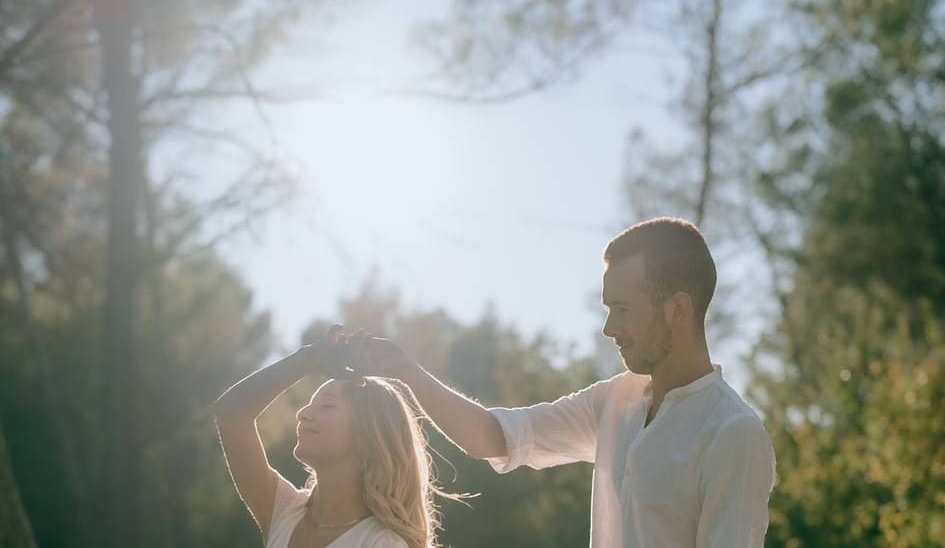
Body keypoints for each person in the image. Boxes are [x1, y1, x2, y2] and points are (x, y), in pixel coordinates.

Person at [360, 216, 777, 547]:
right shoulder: (614, 400)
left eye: (622, 309)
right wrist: (406, 370)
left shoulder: (733, 434)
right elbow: (491, 437)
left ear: (678, 308)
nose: (608, 328)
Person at [214, 324, 454, 548]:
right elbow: (231, 414)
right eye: (309, 405)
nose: (303, 413)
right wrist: (307, 359)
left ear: (368, 433)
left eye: (326, 406)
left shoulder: (382, 543)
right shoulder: (285, 512)